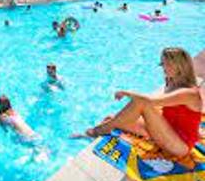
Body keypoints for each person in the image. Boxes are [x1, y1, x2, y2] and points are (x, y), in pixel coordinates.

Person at [74, 47, 204, 158]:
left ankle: (95, 132)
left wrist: (126, 93)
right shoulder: (171, 81)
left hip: (180, 145)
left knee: (140, 103)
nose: (164, 68)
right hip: (166, 130)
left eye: (168, 64)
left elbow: (149, 102)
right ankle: (101, 130)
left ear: (180, 66)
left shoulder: (189, 93)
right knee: (112, 120)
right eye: (162, 64)